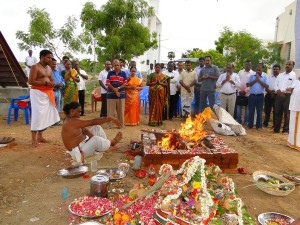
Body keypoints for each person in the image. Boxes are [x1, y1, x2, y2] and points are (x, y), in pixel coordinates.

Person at [28, 50, 60, 147]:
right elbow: (31, 81)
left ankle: (40, 136)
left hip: (47, 93)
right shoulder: (35, 67)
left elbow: (51, 80)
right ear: (42, 56)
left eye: (51, 57)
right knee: (37, 115)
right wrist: (45, 83)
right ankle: (33, 139)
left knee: (45, 115)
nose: (50, 59)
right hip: (37, 93)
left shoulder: (49, 68)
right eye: (48, 57)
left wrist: (53, 84)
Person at [274, 60, 296, 133]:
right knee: (277, 112)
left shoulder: (294, 75)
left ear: (293, 66)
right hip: (279, 95)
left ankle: (285, 130)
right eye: (287, 64)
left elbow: (293, 86)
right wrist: (279, 92)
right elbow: (275, 84)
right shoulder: (280, 75)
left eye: (289, 64)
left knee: (287, 113)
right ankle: (276, 129)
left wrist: (285, 90)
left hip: (288, 96)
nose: (287, 65)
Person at [246, 63, 269, 129]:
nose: (258, 71)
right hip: (252, 96)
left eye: (259, 70)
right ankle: (250, 125)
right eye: (257, 70)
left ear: (262, 69)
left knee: (259, 112)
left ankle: (259, 126)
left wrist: (259, 80)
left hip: (260, 96)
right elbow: (247, 84)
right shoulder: (251, 76)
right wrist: (255, 80)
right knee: (251, 111)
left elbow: (267, 86)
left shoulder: (265, 76)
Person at [106, 59, 127, 128]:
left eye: (118, 65)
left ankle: (120, 125)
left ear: (120, 66)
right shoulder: (110, 73)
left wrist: (118, 88)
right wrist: (114, 90)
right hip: (111, 95)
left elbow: (125, 83)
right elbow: (108, 83)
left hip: (121, 95)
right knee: (110, 112)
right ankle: (109, 125)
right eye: (115, 65)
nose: (117, 67)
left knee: (121, 112)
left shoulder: (123, 73)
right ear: (113, 65)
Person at [235, 60, 254, 125]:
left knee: (247, 108)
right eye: (246, 64)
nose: (247, 66)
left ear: (251, 65)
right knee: (238, 107)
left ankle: (246, 121)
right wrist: (240, 91)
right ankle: (239, 120)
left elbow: (252, 84)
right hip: (239, 93)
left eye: (249, 65)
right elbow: (237, 82)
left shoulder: (253, 73)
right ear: (244, 65)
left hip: (248, 94)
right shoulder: (240, 72)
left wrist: (245, 91)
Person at [288, 78, 300, 150]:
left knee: (298, 127)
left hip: (298, 108)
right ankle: (292, 142)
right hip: (294, 107)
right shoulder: (296, 81)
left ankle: (297, 144)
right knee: (292, 125)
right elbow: (290, 89)